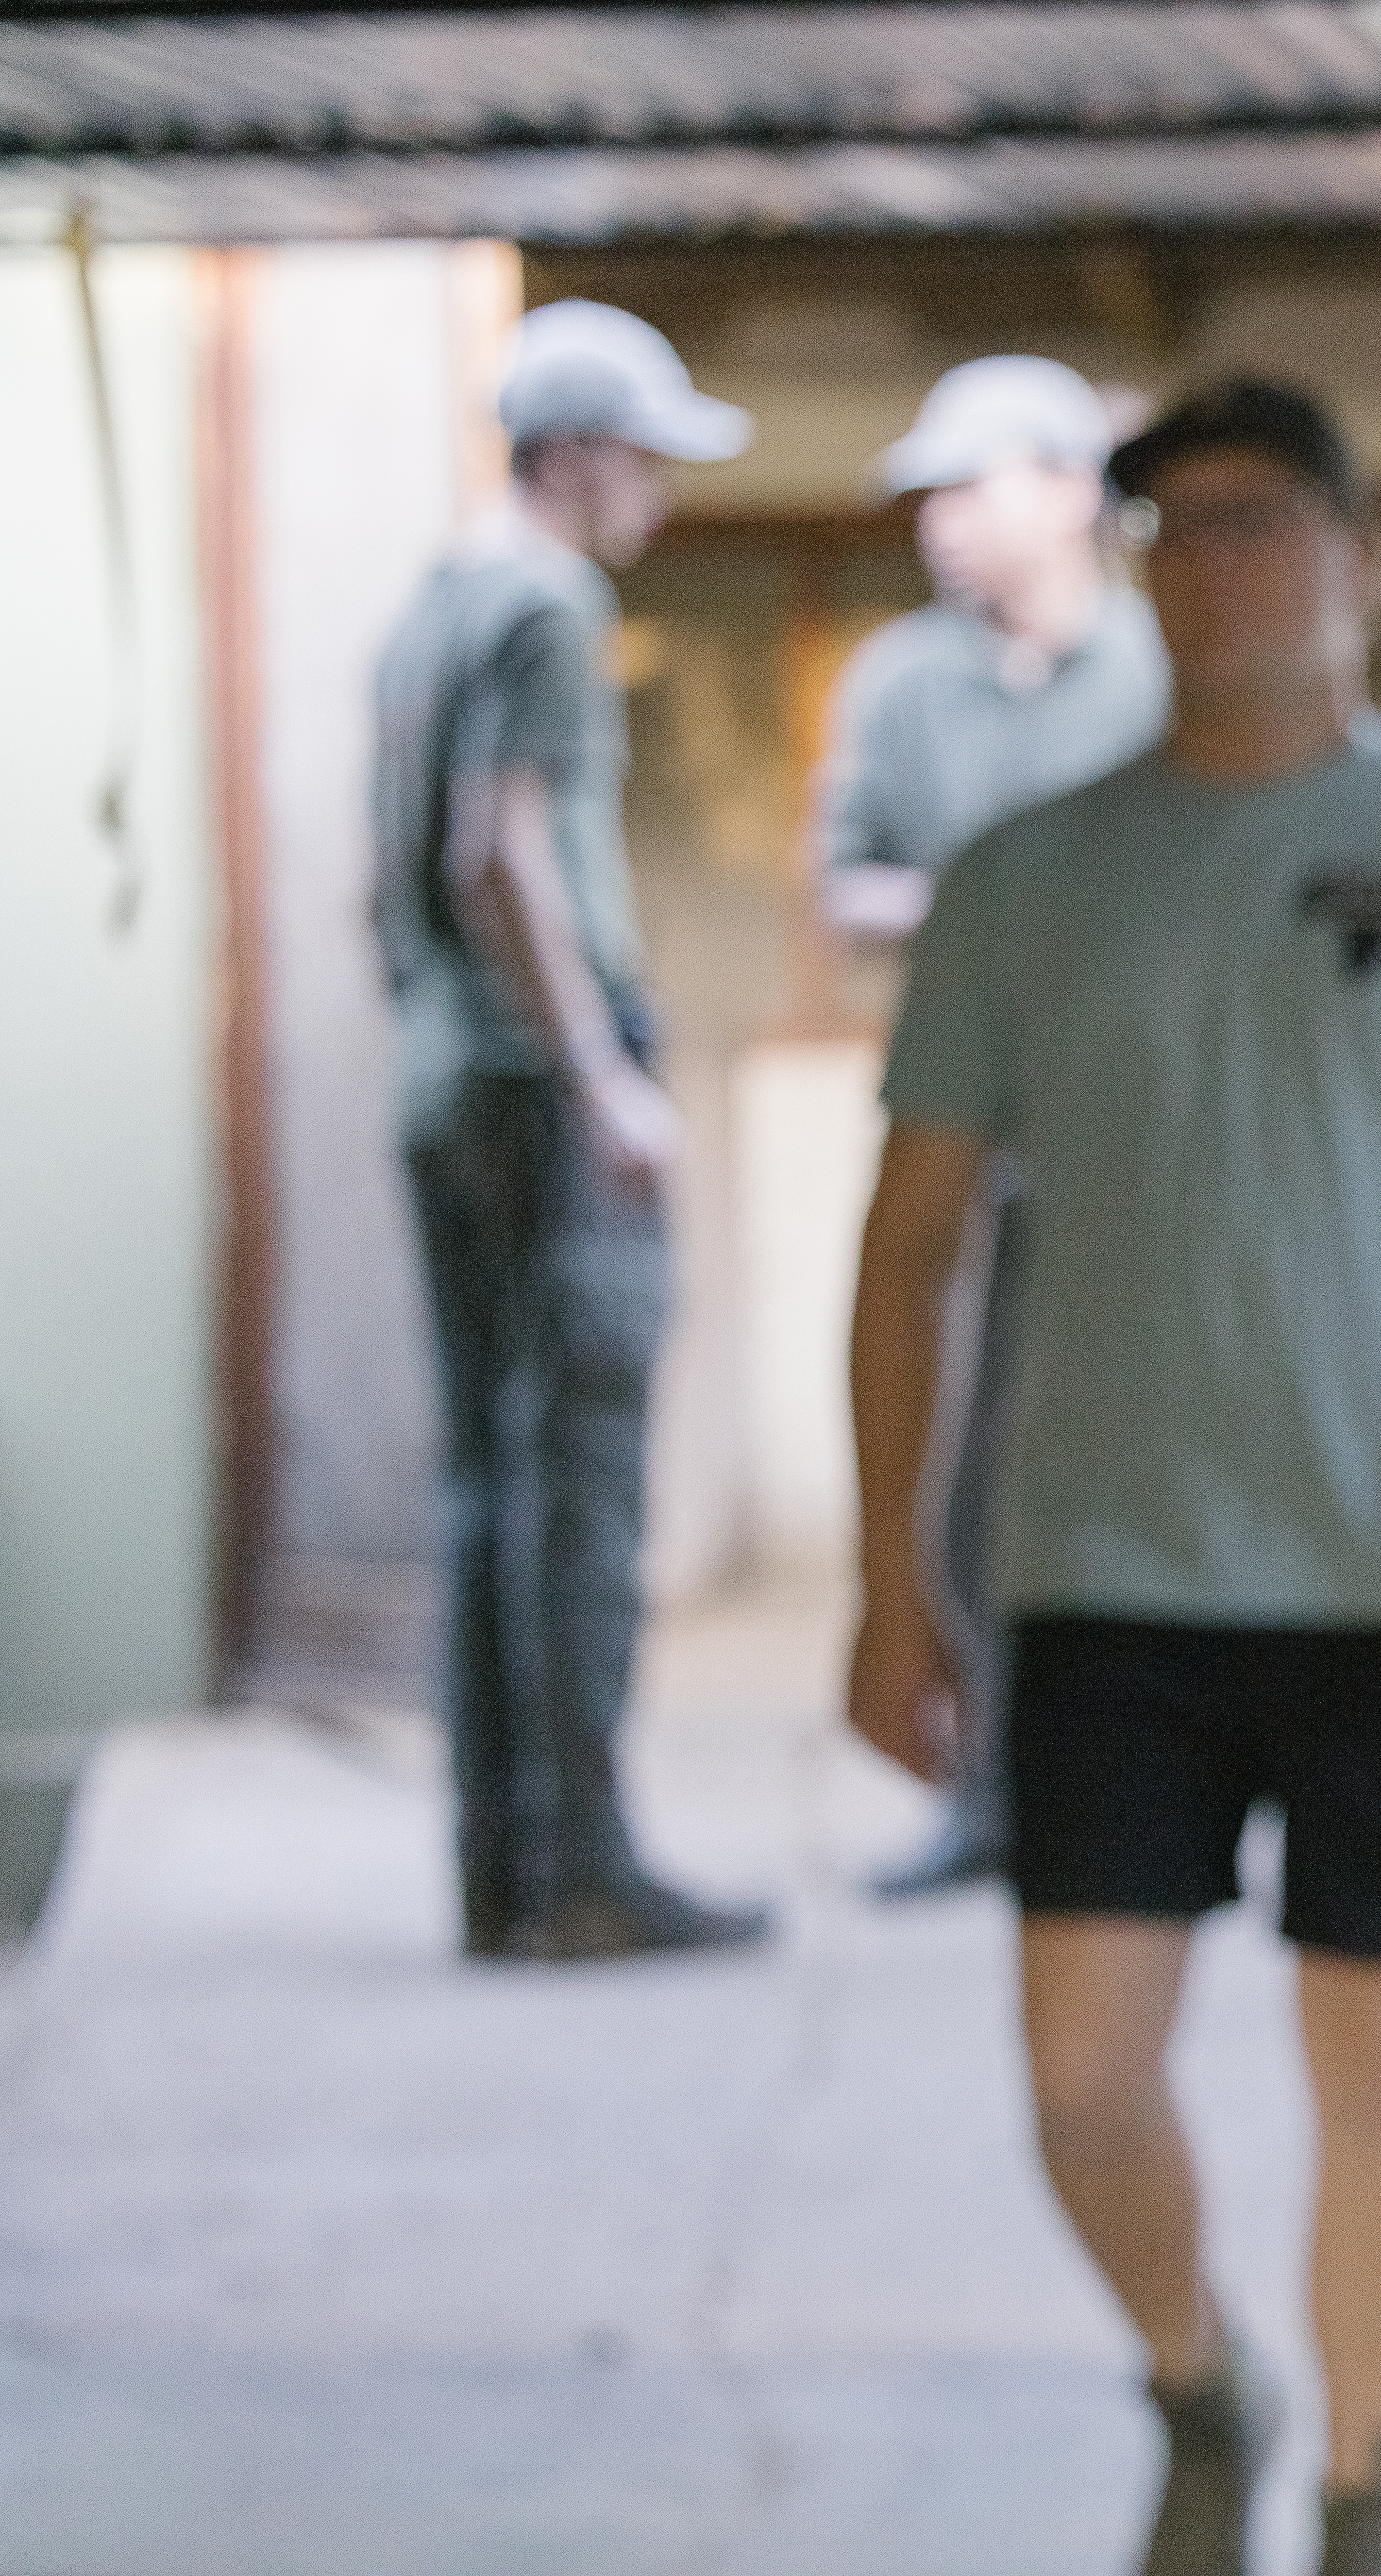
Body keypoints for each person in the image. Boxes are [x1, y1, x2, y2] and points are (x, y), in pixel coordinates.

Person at [845, 378, 1381, 2576]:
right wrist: (892, 1583)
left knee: (1372, 2068)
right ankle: (1200, 2378)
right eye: (1170, 526)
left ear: (1362, 558)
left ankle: (1359, 2495)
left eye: (1260, 518)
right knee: (1082, 2076)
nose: (1212, 563)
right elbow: (909, 1248)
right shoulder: (1026, 880)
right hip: (1105, 1568)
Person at [369, 299, 772, 1966]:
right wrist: (600, 1068)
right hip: (541, 1089)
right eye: (647, 460)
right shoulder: (546, 603)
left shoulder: (429, 606)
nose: (658, 495)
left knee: (488, 1487)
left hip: (443, 1079)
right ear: (581, 456)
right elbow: (501, 846)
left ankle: (506, 1876)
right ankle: (588, 1873)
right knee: (582, 1490)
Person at [814, 355, 1171, 1897]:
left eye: (970, 485)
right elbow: (845, 885)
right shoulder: (899, 684)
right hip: (971, 1131)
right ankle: (986, 1794)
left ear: (1072, 491)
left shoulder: (1160, 672)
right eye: (928, 495)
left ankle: (1174, 1779)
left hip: (1151, 1143)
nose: (941, 521)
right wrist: (996, 909)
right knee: (970, 1458)